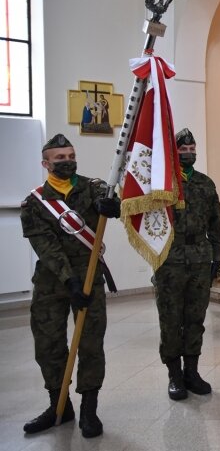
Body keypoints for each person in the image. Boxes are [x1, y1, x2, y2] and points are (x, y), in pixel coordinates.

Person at [20, 134, 121, 438]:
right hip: (52, 280)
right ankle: (59, 407)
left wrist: (112, 205)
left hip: (90, 275)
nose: (67, 161)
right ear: (45, 163)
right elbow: (46, 246)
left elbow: (114, 199)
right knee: (49, 344)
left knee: (90, 344)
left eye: (70, 155)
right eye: (59, 158)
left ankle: (89, 409)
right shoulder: (35, 201)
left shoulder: (92, 187)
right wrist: (69, 278)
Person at [154, 128, 220, 400]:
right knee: (170, 320)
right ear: (173, 152)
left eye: (192, 148)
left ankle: (192, 371)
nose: (188, 153)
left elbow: (216, 223)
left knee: (195, 318)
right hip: (169, 259)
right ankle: (174, 376)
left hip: (199, 258)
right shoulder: (162, 185)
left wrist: (216, 256)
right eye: (182, 150)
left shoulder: (206, 183)